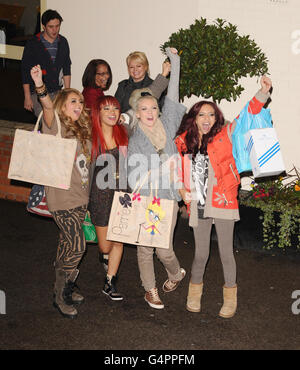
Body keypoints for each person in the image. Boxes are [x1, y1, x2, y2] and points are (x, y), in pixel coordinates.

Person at [175, 76, 272, 318]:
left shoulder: (225, 134)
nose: (206, 119)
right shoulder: (183, 142)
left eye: (210, 114)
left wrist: (262, 92)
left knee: (226, 253)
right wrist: (181, 191)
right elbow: (177, 172)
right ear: (193, 118)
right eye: (201, 115)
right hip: (197, 204)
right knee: (200, 254)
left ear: (216, 118)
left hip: (223, 200)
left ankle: (230, 297)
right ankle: (194, 294)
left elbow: (246, 115)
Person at [30, 64, 91, 319]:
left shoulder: (83, 130)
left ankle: (65, 284)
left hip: (80, 197)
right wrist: (40, 86)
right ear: (63, 106)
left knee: (67, 243)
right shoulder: (56, 126)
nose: (78, 105)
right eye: (73, 101)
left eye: (80, 102)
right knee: (78, 245)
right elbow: (46, 107)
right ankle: (60, 292)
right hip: (61, 197)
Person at [127, 47, 186, 310]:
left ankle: (176, 273)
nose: (150, 111)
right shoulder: (136, 138)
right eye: (144, 108)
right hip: (146, 199)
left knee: (164, 250)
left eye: (153, 107)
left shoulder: (169, 123)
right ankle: (150, 290)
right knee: (145, 248)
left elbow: (172, 94)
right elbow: (133, 174)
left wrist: (175, 61)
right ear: (137, 113)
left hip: (168, 198)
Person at [88, 95, 128, 301]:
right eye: (106, 109)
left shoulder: (125, 134)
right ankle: (105, 258)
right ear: (98, 113)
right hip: (100, 197)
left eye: (115, 108)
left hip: (122, 196)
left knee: (118, 241)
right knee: (105, 246)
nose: (112, 112)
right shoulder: (91, 138)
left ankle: (110, 282)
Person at [22, 9, 71, 117]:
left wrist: (67, 93)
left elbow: (66, 68)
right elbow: (25, 71)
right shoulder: (33, 43)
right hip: (37, 93)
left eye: (57, 26)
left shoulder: (63, 42)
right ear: (44, 26)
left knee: (60, 120)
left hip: (57, 91)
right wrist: (27, 97)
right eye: (51, 27)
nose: (55, 30)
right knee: (45, 120)